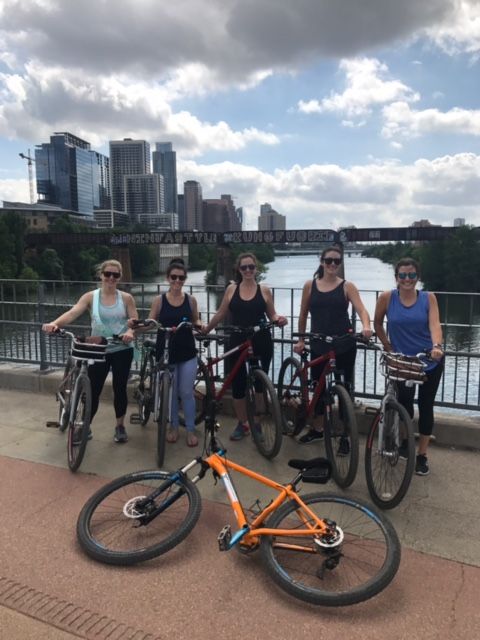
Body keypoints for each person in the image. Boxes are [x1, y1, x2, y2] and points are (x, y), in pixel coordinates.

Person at [42, 259, 137, 443]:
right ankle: (86, 426)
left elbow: (134, 320)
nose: (111, 278)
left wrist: (130, 331)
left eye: (115, 275)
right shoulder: (90, 297)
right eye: (107, 274)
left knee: (120, 388)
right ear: (101, 275)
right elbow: (72, 313)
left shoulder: (126, 298)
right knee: (93, 390)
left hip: (121, 349)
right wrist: (55, 324)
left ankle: (120, 426)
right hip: (98, 349)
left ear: (119, 277)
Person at [203, 252, 287, 440]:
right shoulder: (232, 289)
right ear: (238, 270)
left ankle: (257, 423)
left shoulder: (264, 290)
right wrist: (206, 329)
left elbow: (271, 314)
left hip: (261, 339)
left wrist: (279, 319)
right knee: (238, 385)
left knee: (260, 384)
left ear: (256, 269)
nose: (248, 270)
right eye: (244, 267)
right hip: (238, 339)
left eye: (251, 267)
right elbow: (221, 313)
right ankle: (242, 423)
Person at [294, 245, 372, 444]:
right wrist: (302, 339)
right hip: (319, 342)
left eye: (336, 261)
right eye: (328, 260)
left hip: (343, 343)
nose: (332, 264)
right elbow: (303, 314)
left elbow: (362, 310)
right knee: (318, 388)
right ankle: (318, 428)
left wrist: (366, 326)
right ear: (322, 262)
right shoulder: (310, 286)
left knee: (344, 389)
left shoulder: (347, 286)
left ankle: (346, 435)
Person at [374, 257, 444, 476]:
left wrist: (436, 346)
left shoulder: (428, 298)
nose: (407, 279)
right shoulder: (386, 298)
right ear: (396, 277)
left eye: (411, 275)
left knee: (426, 407)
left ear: (417, 277)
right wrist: (387, 345)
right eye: (402, 275)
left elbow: (434, 324)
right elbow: (377, 323)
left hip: (428, 361)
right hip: (402, 362)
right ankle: (405, 441)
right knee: (404, 406)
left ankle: (422, 454)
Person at [147, 258, 201, 447]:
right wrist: (134, 327)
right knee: (170, 391)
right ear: (167, 278)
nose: (177, 281)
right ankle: (173, 426)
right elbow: (150, 322)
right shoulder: (158, 301)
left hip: (187, 352)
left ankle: (191, 429)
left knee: (186, 391)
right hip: (166, 352)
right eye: (174, 277)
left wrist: (200, 325)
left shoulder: (191, 300)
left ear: (185, 279)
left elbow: (196, 321)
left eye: (181, 278)